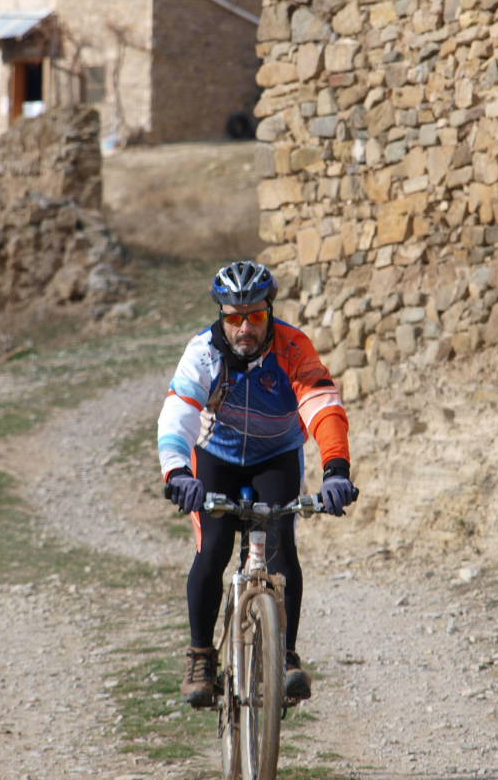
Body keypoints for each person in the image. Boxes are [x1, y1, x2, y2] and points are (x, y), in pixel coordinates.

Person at [157, 260, 356, 708]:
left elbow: (323, 406)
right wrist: (177, 473)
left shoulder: (293, 347)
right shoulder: (203, 353)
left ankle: (286, 656)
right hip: (216, 456)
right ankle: (201, 656)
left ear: (270, 312)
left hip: (276, 456)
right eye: (234, 318)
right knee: (214, 547)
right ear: (221, 316)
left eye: (256, 316)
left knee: (281, 543)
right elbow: (178, 414)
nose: (244, 328)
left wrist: (336, 470)